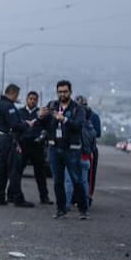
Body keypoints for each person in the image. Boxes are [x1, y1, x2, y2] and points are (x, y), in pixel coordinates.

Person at [42, 80, 89, 220]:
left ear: (70, 92)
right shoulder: (52, 106)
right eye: (60, 92)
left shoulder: (77, 109)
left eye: (65, 91)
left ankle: (83, 209)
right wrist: (41, 116)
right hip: (54, 147)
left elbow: (78, 125)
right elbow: (44, 123)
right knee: (58, 181)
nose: (62, 94)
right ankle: (61, 210)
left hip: (71, 149)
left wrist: (64, 120)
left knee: (76, 180)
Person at [0, 84, 35, 207]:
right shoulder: (8, 106)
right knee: (14, 169)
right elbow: (14, 125)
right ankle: (17, 198)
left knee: (2, 169)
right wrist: (27, 124)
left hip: (0, 138)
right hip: (8, 139)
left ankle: (0, 196)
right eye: (16, 95)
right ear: (12, 93)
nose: (17, 98)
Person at [18, 91, 52, 204]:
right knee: (17, 171)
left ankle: (44, 196)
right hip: (23, 145)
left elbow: (47, 128)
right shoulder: (20, 112)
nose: (32, 101)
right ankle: (13, 194)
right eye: (31, 99)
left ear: (37, 101)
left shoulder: (41, 113)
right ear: (27, 99)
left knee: (40, 173)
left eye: (35, 99)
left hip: (37, 146)